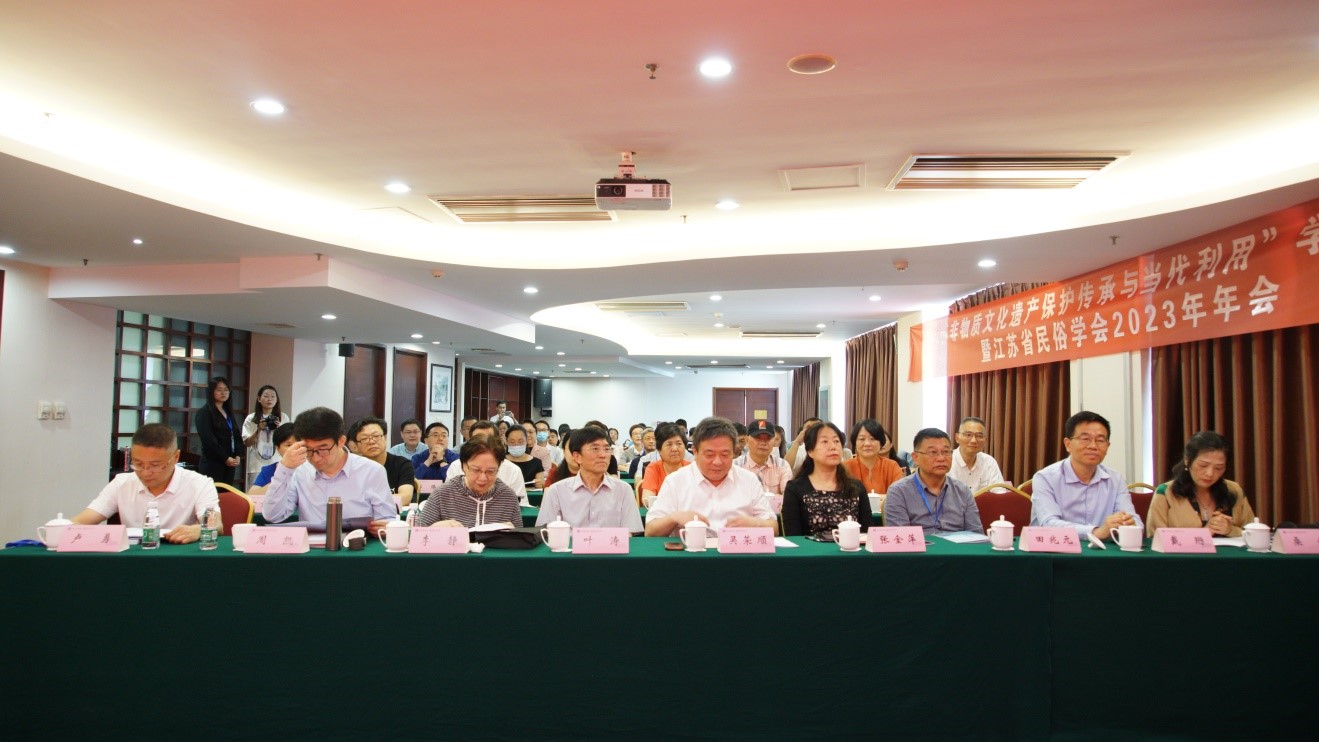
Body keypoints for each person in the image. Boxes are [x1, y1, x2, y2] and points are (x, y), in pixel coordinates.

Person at [72, 423, 218, 543]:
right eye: (138, 464)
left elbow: (216, 524)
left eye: (155, 465)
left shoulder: (200, 484)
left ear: (175, 457)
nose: (146, 472)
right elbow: (82, 521)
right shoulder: (122, 483)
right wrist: (64, 527)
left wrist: (198, 530)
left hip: (180, 558)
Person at [260, 407, 398, 529]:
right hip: (311, 547)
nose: (315, 458)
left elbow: (387, 519)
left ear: (341, 441)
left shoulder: (371, 471)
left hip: (357, 545)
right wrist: (285, 468)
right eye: (308, 450)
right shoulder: (300, 470)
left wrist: (384, 527)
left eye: (323, 449)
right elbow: (273, 516)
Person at [644, 417, 778, 536]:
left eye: (725, 454)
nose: (717, 462)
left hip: (737, 553)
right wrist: (674, 518)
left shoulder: (748, 480)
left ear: (734, 452)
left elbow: (774, 528)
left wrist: (754, 523)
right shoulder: (675, 481)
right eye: (709, 455)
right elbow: (650, 531)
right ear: (695, 451)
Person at [1030, 411, 1141, 540]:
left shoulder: (1116, 480)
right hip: (1054, 549)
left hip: (1102, 550)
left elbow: (1134, 521)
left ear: (1107, 446)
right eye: (1085, 439)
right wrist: (1095, 532)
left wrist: (1128, 524)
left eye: (1100, 440)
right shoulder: (1045, 478)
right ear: (1068, 444)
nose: (1093, 446)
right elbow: (1049, 523)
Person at [1147, 431, 1256, 537]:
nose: (1210, 474)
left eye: (1218, 468)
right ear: (1187, 460)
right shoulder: (1165, 492)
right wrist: (1203, 534)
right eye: (1203, 465)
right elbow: (1155, 538)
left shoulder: (1234, 489)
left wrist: (1230, 530)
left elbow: (1252, 533)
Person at [536, 426, 644, 532]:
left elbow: (630, 532)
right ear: (577, 456)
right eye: (595, 449)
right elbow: (546, 532)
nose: (603, 455)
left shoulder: (623, 490)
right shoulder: (556, 491)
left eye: (607, 449)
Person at [884, 428, 983, 534]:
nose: (941, 458)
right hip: (920, 544)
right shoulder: (899, 492)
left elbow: (976, 534)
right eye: (933, 452)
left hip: (958, 545)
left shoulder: (962, 490)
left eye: (946, 452)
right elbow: (901, 538)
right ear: (915, 458)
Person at [782, 422, 873, 537]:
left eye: (836, 441)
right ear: (810, 451)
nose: (833, 447)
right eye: (825, 441)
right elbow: (793, 537)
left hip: (851, 548)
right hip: (809, 549)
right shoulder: (795, 488)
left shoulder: (856, 487)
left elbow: (868, 534)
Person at [415, 437, 523, 528]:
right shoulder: (442, 494)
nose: (483, 478)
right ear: (463, 466)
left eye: (490, 471)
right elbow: (418, 537)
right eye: (476, 470)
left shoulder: (508, 496)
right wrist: (434, 528)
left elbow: (520, 540)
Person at [452, 421, 527, 503]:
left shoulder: (513, 471)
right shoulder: (456, 466)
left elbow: (520, 505)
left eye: (488, 440)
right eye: (477, 440)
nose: (483, 444)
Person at [350, 417, 417, 505]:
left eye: (376, 436)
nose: (371, 442)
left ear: (385, 437)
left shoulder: (402, 464)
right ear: (356, 445)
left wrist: (367, 503)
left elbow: (405, 497)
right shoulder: (352, 468)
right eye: (364, 438)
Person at [193, 375, 244, 485]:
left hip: (230, 462)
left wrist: (237, 455)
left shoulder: (228, 412)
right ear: (211, 392)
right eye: (219, 390)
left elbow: (236, 435)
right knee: (213, 493)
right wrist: (225, 458)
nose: (223, 393)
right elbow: (208, 440)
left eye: (226, 389)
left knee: (226, 492)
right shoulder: (204, 412)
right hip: (213, 463)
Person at [241, 385, 290, 490]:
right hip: (256, 464)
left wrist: (279, 429)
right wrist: (258, 430)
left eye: (273, 396)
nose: (269, 399)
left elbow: (289, 441)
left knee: (277, 492)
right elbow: (247, 443)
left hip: (277, 462)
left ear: (277, 400)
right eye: (266, 396)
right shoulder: (251, 418)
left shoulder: (283, 417)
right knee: (255, 494)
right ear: (259, 399)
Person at [844, 419, 905, 494]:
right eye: (862, 439)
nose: (867, 444)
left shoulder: (892, 466)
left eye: (872, 439)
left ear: (881, 443)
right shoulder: (845, 467)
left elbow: (899, 495)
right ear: (855, 443)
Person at [734, 419, 792, 495]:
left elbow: (788, 497)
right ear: (747, 440)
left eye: (768, 438)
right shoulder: (735, 466)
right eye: (758, 438)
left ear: (773, 441)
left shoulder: (782, 465)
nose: (763, 443)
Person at [949, 416, 1006, 493]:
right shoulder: (946, 461)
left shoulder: (989, 462)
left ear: (985, 440)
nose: (973, 441)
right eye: (968, 435)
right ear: (957, 438)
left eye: (979, 436)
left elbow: (999, 493)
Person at [639, 422, 691, 504]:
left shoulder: (692, 468)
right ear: (659, 450)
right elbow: (647, 499)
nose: (675, 449)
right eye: (669, 444)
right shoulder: (653, 468)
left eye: (679, 444)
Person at [248, 423, 298, 496]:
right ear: (277, 448)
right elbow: (251, 495)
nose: (294, 449)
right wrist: (278, 482)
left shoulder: (312, 469)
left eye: (299, 444)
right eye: (288, 445)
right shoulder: (270, 470)